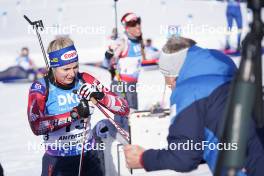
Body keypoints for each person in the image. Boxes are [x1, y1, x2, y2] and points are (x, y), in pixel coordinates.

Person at [124, 36, 264, 175]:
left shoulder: (189, 92)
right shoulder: (230, 75)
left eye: (166, 78)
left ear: (172, 76)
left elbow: (184, 157)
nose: (169, 86)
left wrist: (144, 158)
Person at [27, 37, 129, 176]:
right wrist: (74, 114)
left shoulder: (85, 79)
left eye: (75, 67)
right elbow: (37, 126)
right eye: (66, 69)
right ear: (53, 67)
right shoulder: (41, 87)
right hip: (58, 160)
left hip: (89, 157)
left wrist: (101, 96)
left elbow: (124, 108)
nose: (72, 73)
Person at [104, 12, 145, 131]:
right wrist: (110, 52)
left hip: (132, 84)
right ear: (126, 27)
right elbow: (108, 61)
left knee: (133, 115)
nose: (137, 26)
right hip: (121, 84)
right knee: (123, 116)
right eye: (132, 24)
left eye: (138, 22)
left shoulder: (138, 41)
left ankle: (132, 139)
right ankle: (121, 140)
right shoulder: (123, 41)